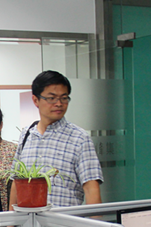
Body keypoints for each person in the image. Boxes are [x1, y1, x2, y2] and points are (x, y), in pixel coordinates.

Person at [9, 71, 103, 209]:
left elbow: (91, 189)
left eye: (64, 98)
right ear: (35, 100)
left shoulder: (79, 138)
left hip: (64, 222)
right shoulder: (26, 135)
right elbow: (16, 183)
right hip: (28, 222)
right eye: (52, 98)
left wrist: (95, 221)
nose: (59, 104)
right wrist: (11, 221)